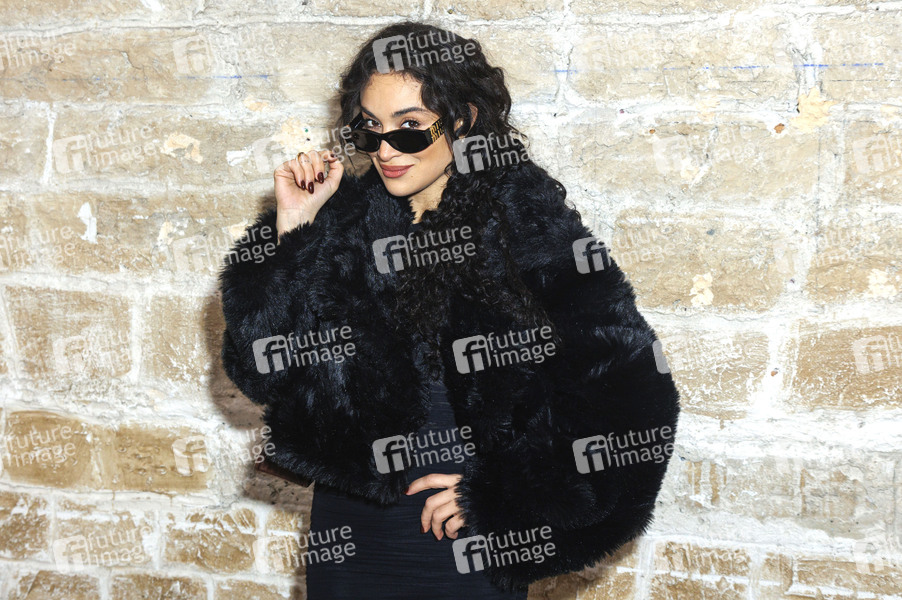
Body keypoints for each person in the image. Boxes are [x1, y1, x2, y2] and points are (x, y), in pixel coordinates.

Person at [219, 20, 681, 599]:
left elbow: (631, 394)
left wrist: (505, 499)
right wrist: (295, 229)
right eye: (371, 129)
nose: (387, 150)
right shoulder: (344, 223)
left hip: (461, 542)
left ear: (462, 120)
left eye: (410, 128)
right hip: (350, 530)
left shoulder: (528, 228)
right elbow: (260, 371)